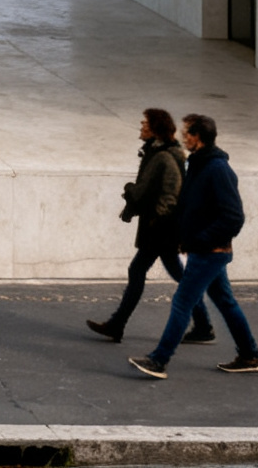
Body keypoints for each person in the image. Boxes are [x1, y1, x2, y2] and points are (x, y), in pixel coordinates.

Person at [129, 113, 258, 377]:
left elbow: (234, 217)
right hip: (204, 250)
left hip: (209, 252)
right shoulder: (199, 165)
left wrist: (201, 239)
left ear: (197, 137)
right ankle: (249, 355)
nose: (182, 137)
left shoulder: (218, 169)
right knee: (226, 302)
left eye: (186, 133)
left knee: (182, 302)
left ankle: (159, 360)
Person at [87, 108, 212, 345]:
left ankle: (117, 324)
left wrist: (132, 192)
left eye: (145, 123)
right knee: (178, 275)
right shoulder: (157, 152)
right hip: (161, 228)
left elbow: (169, 194)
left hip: (161, 229)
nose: (141, 126)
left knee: (138, 271)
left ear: (155, 129)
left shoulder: (165, 157)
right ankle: (203, 325)